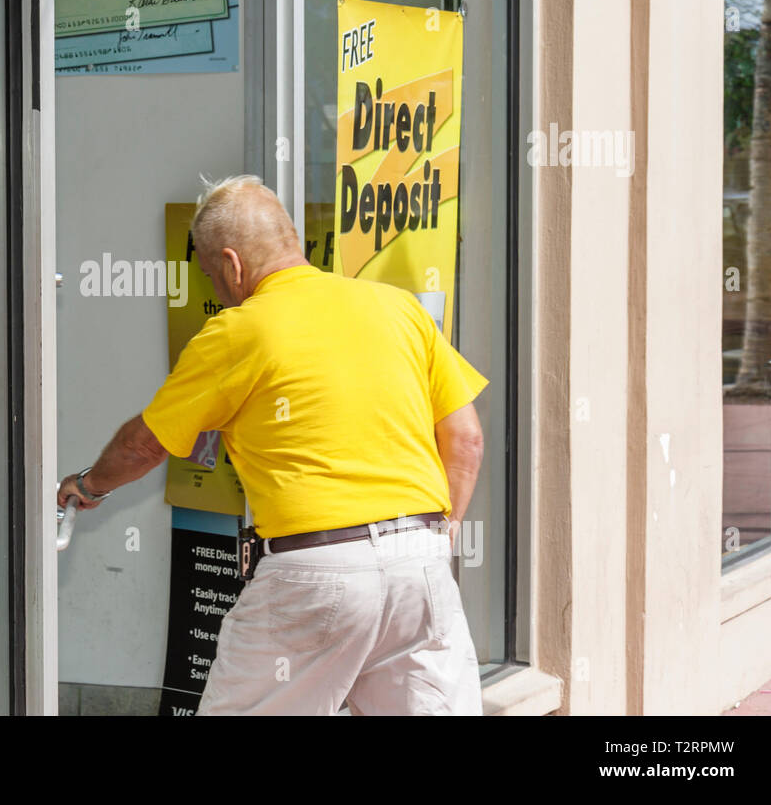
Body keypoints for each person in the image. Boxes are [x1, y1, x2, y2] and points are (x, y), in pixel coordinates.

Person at [56, 175, 487, 715]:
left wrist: (86, 484)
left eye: (213, 275)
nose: (217, 287)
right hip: (421, 565)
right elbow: (465, 440)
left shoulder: (238, 330)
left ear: (233, 264)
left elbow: (145, 445)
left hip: (317, 573)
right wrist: (434, 540)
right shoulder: (398, 309)